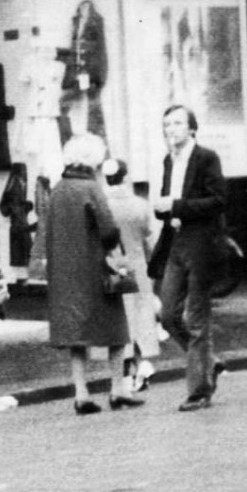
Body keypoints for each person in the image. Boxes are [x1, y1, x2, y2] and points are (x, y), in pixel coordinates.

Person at [47, 133, 143, 414]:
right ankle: (117, 389)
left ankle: (81, 393)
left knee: (76, 337)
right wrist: (113, 249)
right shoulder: (90, 188)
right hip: (94, 271)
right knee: (115, 330)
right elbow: (109, 229)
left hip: (65, 274)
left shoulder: (58, 189)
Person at [150, 105, 227, 412]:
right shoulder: (168, 160)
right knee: (168, 314)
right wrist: (162, 208)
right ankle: (210, 362)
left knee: (195, 320)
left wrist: (178, 206)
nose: (171, 129)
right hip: (175, 243)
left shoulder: (207, 157)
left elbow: (219, 200)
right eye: (167, 124)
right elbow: (169, 201)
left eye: (178, 123)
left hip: (200, 243)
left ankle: (199, 390)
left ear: (192, 128)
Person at [103, 158, 160, 393]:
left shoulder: (104, 206)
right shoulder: (139, 204)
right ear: (125, 176)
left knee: (120, 320)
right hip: (138, 265)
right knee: (142, 318)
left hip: (114, 267)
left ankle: (127, 371)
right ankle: (143, 363)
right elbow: (148, 234)